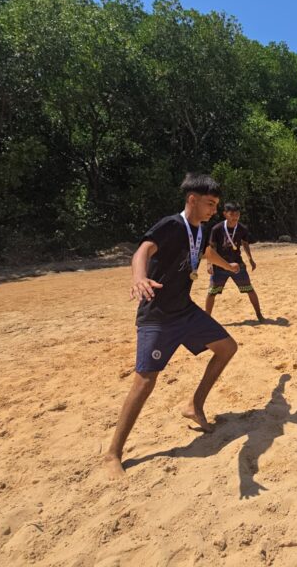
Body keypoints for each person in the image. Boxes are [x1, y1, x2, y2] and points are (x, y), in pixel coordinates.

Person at [103, 173, 242, 479]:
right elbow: (142, 250)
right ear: (192, 199)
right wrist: (139, 277)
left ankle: (194, 404)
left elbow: (206, 253)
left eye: (216, 204)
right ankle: (113, 453)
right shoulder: (171, 225)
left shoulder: (201, 231)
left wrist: (227, 265)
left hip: (185, 311)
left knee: (227, 348)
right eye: (210, 203)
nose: (214, 210)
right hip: (157, 316)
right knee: (145, 382)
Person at [205, 203, 265, 322]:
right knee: (212, 292)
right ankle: (206, 319)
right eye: (232, 214)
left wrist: (250, 258)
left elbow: (245, 243)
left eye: (237, 214)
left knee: (249, 289)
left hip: (237, 265)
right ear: (225, 214)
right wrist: (209, 263)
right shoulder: (217, 229)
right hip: (220, 265)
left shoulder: (242, 228)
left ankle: (259, 315)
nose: (235, 217)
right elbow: (211, 247)